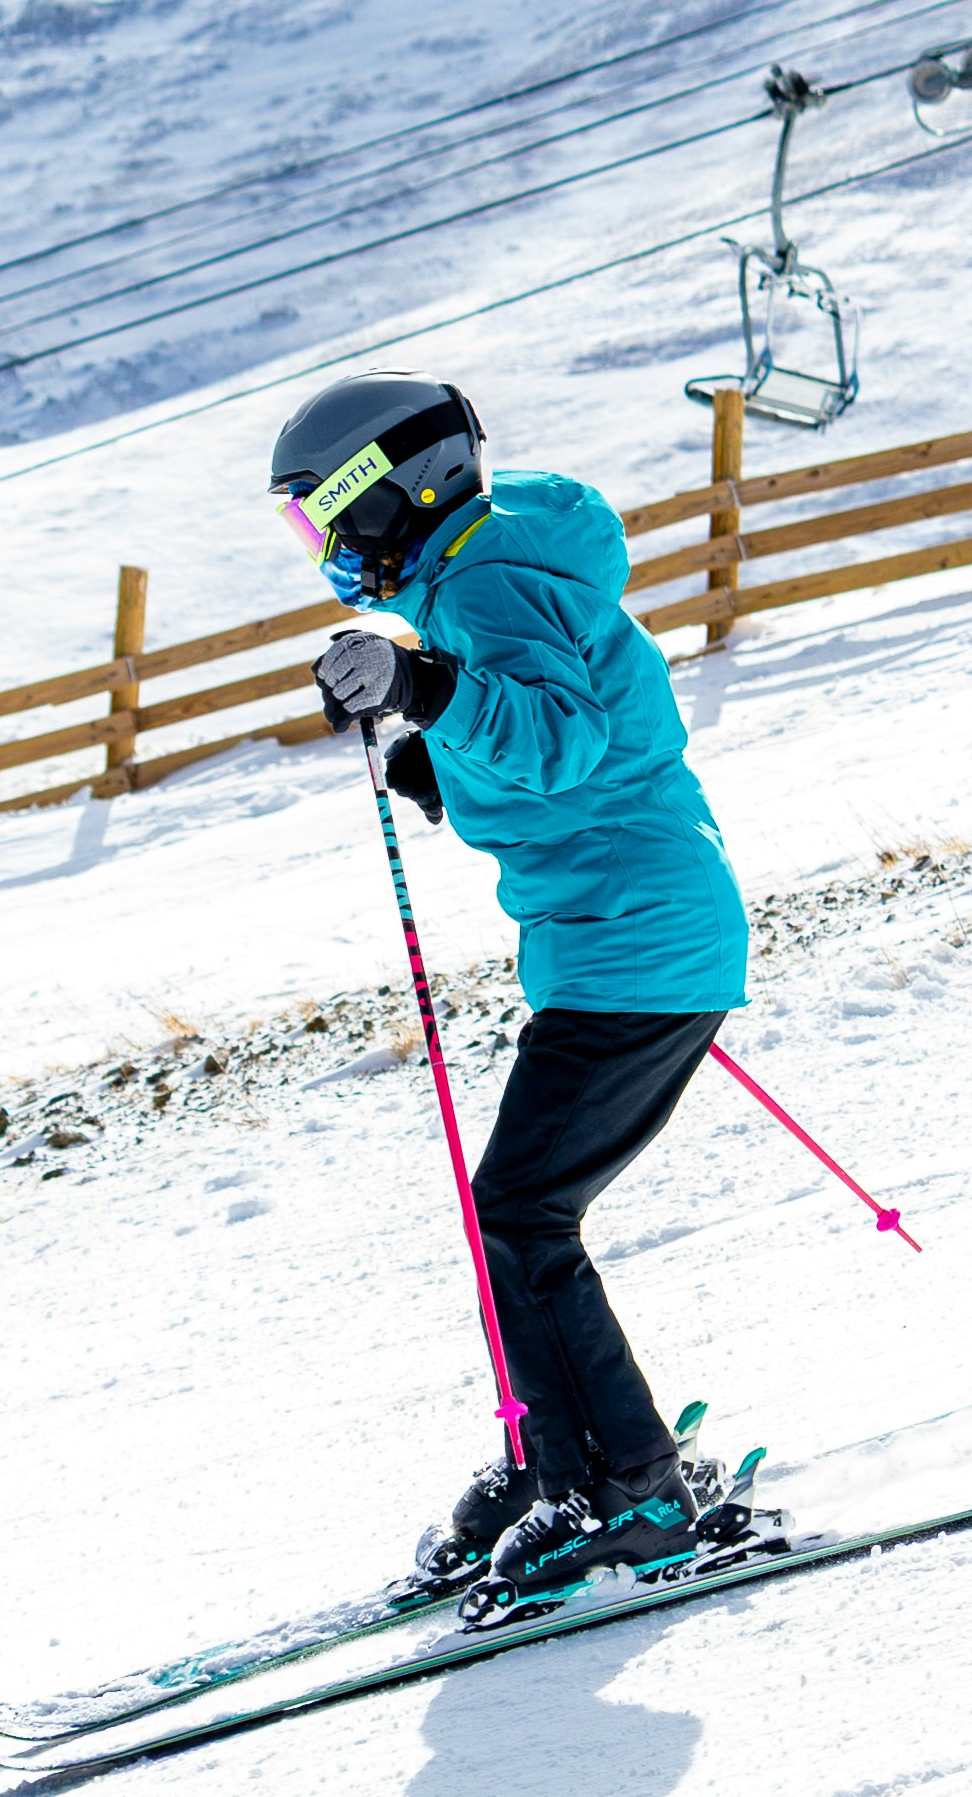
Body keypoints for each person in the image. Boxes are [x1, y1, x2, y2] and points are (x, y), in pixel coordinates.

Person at [267, 370, 754, 1610]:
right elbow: (557, 747)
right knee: (520, 1216)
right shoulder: (487, 563)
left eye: (326, 515)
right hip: (627, 940)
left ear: (391, 494)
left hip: (634, 947)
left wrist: (428, 696)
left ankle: (629, 1494)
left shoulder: (481, 580)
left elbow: (566, 736)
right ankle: (563, 1462)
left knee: (522, 1216)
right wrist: (438, 755)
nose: (324, 547)